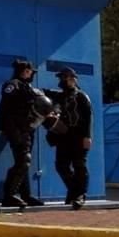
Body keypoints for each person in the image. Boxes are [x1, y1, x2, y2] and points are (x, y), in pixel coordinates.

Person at [0, 59, 46, 209]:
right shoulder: (13, 85)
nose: (30, 73)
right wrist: (9, 129)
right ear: (21, 71)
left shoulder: (28, 87)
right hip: (16, 129)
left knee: (24, 163)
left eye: (30, 71)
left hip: (27, 129)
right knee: (23, 161)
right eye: (27, 70)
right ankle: (9, 195)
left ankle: (26, 195)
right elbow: (6, 107)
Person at [45, 68, 93, 210]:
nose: (64, 80)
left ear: (74, 79)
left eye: (67, 77)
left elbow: (89, 117)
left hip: (79, 134)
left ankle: (80, 195)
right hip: (64, 135)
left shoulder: (81, 96)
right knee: (61, 165)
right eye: (63, 78)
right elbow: (43, 93)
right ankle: (74, 191)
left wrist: (87, 136)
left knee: (79, 165)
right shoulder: (59, 96)